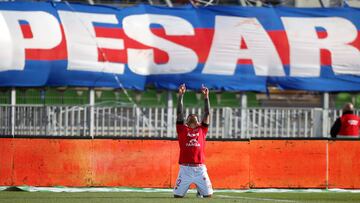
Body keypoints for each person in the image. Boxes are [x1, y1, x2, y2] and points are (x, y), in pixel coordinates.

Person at [173, 84, 213, 198]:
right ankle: (197, 188)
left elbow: (207, 113)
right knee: (177, 196)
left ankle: (200, 189)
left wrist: (206, 97)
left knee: (208, 195)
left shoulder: (202, 129)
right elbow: (179, 113)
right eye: (190, 116)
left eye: (195, 116)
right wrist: (181, 95)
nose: (192, 116)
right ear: (186, 121)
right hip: (185, 169)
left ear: (198, 121)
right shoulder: (182, 129)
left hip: (200, 169)